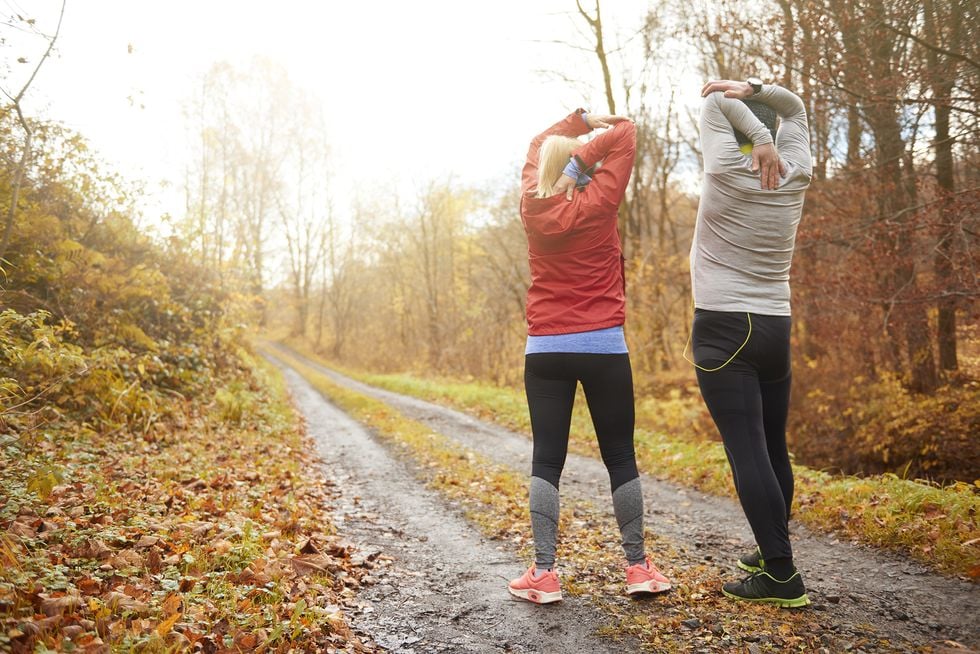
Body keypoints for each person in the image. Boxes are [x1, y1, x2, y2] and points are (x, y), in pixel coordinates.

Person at [507, 109, 671, 604]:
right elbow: (626, 133)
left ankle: (543, 574)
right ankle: (639, 568)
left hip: (547, 349)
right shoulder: (599, 200)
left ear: (542, 169)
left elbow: (539, 142)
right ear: (574, 167)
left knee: (547, 460)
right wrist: (588, 146)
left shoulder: (532, 207)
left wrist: (573, 124)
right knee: (620, 455)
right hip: (604, 346)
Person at [689, 78, 813, 607]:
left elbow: (714, 101)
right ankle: (771, 552)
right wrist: (758, 93)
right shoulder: (797, 171)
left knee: (748, 454)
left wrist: (754, 131)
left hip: (723, 327)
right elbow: (797, 106)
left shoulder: (724, 168)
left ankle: (781, 575)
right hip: (774, 325)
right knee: (771, 447)